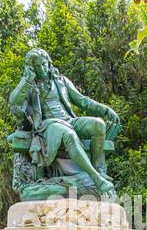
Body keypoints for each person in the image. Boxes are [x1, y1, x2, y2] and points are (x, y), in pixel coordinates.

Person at [9, 48, 120, 197]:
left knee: (98, 124)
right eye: (36, 67)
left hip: (69, 120)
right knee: (69, 134)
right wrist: (26, 80)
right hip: (48, 125)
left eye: (43, 64)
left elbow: (83, 101)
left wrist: (105, 110)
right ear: (31, 68)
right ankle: (96, 178)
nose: (41, 69)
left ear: (48, 63)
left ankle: (99, 171)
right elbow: (14, 100)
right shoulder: (29, 85)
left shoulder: (61, 81)